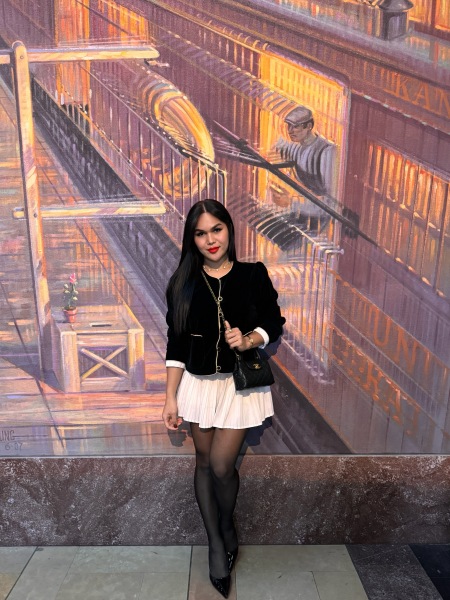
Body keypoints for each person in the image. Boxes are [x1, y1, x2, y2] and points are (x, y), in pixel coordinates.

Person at [162, 199, 285, 598]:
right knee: (202, 463)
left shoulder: (252, 275)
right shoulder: (182, 283)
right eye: (200, 233)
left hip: (237, 386)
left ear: (229, 229)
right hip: (198, 385)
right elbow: (176, 343)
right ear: (192, 239)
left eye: (216, 229)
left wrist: (249, 339)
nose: (210, 239)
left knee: (220, 465)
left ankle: (226, 525)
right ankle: (216, 543)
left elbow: (274, 321)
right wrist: (170, 398)